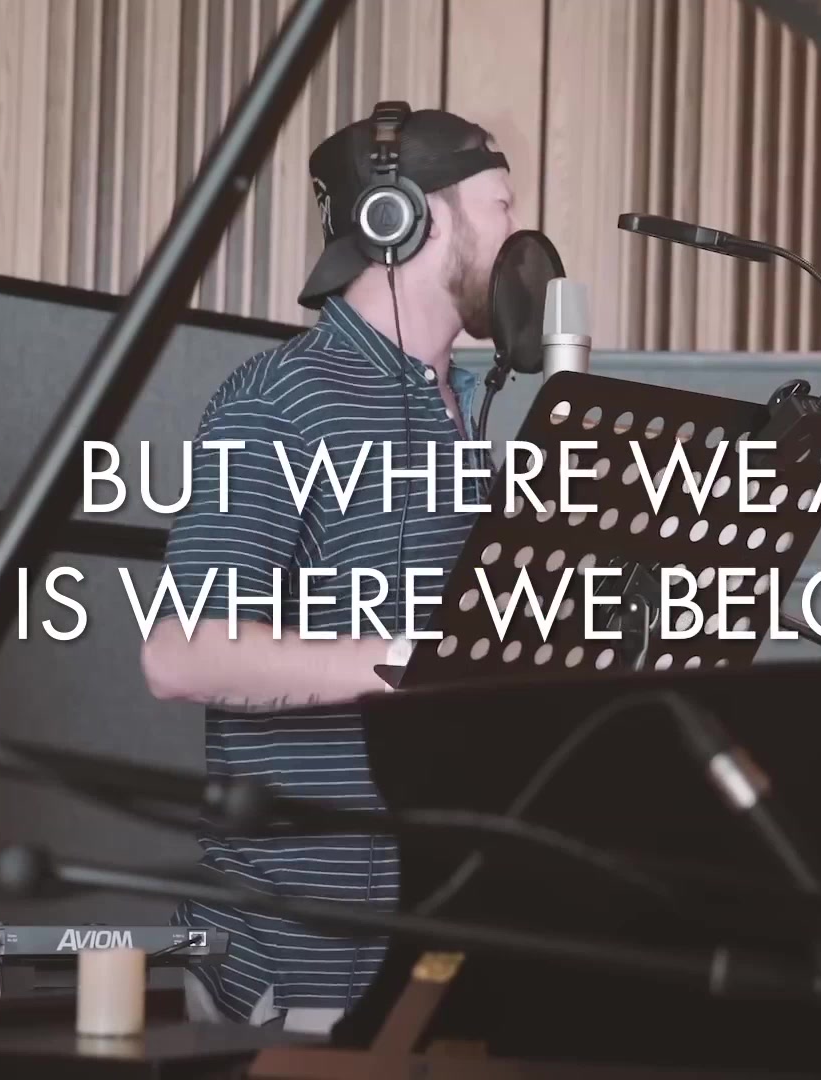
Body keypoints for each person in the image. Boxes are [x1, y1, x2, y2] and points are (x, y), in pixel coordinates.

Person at [141, 103, 517, 1035]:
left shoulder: (470, 411)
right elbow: (183, 654)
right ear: (409, 220)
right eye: (502, 208)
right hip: (304, 952)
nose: (522, 242)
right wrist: (409, 661)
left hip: (438, 927)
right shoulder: (282, 398)